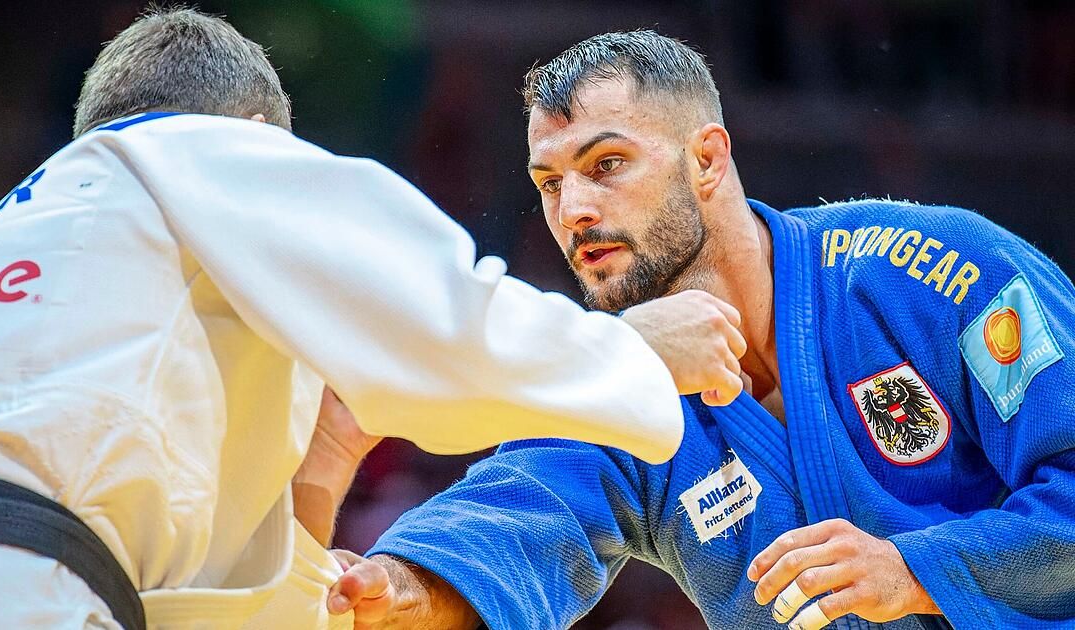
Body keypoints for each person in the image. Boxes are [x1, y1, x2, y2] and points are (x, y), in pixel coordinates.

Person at [0, 13, 751, 630]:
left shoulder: (0, 248)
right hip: (23, 588)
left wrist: (320, 474)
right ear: (257, 133)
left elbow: (208, 601)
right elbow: (444, 321)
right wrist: (630, 349)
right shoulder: (202, 145)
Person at [324, 31, 1075, 629]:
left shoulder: (931, 271)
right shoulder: (620, 380)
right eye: (549, 183)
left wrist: (914, 574)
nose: (573, 210)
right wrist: (393, 589)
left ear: (708, 159)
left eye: (606, 163)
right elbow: (508, 523)